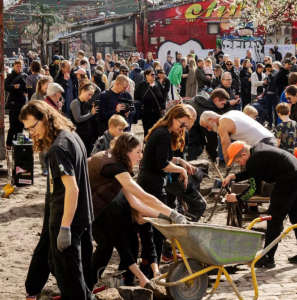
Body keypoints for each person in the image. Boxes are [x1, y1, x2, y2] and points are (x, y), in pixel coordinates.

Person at [89, 132, 185, 291]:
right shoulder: (115, 169)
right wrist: (173, 214)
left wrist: (163, 216)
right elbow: (143, 196)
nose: (141, 156)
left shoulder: (119, 165)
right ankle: (83, 286)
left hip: (95, 199)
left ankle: (108, 282)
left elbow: (136, 201)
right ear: (127, 151)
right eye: (138, 152)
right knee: (106, 245)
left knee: (124, 243)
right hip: (89, 206)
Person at [21, 100, 93, 300]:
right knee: (71, 273)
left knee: (71, 282)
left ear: (45, 118)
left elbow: (72, 189)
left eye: (32, 127)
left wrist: (65, 228)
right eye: (28, 130)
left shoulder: (58, 148)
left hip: (66, 219)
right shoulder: (72, 136)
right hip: (78, 216)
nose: (32, 133)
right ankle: (34, 286)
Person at [222, 141, 297, 268]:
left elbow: (254, 188)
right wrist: (234, 176)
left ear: (243, 154)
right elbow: (254, 172)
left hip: (288, 179)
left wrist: (238, 198)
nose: (240, 164)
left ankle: (268, 257)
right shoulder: (257, 150)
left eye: (238, 161)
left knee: (274, 218)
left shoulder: (254, 159)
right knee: (296, 217)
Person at [137, 105, 193, 269]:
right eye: (182, 124)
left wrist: (180, 161)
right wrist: (181, 169)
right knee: (157, 230)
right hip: (152, 183)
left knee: (151, 227)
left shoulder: (162, 131)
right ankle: (151, 266)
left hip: (150, 181)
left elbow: (164, 157)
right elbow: (162, 163)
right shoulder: (163, 134)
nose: (182, 128)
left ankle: (148, 265)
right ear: (173, 118)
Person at [200, 109, 276, 163]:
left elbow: (225, 147)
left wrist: (228, 164)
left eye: (207, 126)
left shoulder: (222, 125)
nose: (209, 130)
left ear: (211, 119)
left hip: (263, 143)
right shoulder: (232, 113)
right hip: (269, 139)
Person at [186, 89, 233, 160]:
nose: (222, 106)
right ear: (216, 100)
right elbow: (210, 136)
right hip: (192, 129)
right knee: (192, 149)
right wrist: (213, 154)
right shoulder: (207, 112)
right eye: (222, 103)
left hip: (189, 126)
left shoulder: (203, 99)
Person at [134, 69, 165, 137]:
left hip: (157, 112)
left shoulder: (158, 84)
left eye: (154, 74)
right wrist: (139, 105)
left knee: (158, 131)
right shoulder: (142, 85)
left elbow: (163, 96)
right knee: (148, 132)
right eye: (152, 74)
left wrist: (163, 107)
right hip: (146, 113)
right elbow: (136, 97)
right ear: (146, 76)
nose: (154, 76)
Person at [70, 84, 98, 157]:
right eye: (89, 94)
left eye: (91, 95)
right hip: (79, 134)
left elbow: (98, 90)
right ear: (83, 91)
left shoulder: (86, 103)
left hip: (87, 133)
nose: (90, 97)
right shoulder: (75, 103)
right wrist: (91, 114)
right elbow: (78, 119)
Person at [5, 59, 28, 148]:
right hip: (14, 103)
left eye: (20, 66)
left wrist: (26, 93)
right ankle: (8, 144)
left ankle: (18, 143)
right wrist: (13, 87)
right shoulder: (10, 76)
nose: (19, 68)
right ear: (14, 66)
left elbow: (27, 87)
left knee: (21, 125)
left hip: (23, 102)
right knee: (13, 124)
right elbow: (5, 86)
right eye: (17, 66)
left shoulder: (24, 75)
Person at [264, 63, 279, 128]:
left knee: (275, 110)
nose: (268, 70)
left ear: (272, 67)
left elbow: (275, 81)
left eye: (269, 69)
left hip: (274, 94)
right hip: (267, 94)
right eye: (267, 69)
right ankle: (270, 124)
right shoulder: (267, 73)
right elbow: (265, 85)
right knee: (269, 110)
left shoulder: (276, 72)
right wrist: (264, 83)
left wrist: (270, 75)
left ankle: (276, 125)